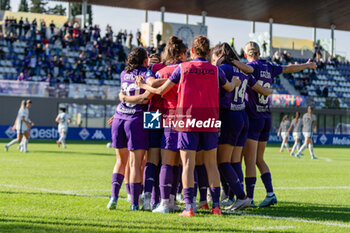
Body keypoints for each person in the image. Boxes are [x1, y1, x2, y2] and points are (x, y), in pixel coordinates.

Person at [137, 35, 240, 217]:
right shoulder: (215, 70)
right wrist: (236, 83)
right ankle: (215, 205)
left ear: (192, 51)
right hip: (210, 119)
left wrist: (145, 85)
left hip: (184, 118)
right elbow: (230, 88)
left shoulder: (181, 68)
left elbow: (160, 90)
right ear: (208, 52)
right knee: (210, 164)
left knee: (185, 164)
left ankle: (188, 206)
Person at [243, 41, 317, 208]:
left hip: (253, 117)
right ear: (259, 52)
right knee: (259, 159)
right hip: (266, 117)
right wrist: (306, 65)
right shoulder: (269, 66)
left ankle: (249, 198)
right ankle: (270, 194)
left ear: (247, 54)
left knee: (249, 161)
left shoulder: (248, 67)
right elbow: (288, 68)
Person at [211, 43, 273, 210]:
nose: (213, 60)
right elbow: (258, 87)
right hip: (243, 116)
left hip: (230, 116)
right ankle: (237, 197)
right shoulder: (244, 70)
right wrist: (269, 91)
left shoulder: (223, 69)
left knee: (222, 161)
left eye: (214, 57)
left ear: (221, 55)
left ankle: (239, 196)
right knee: (235, 161)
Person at [132, 36, 187, 213]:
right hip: (157, 114)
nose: (153, 62)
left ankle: (159, 198)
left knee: (163, 159)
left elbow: (152, 83)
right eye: (151, 60)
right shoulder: (169, 68)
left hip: (159, 113)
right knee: (158, 159)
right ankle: (154, 198)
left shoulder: (158, 69)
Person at [107, 47, 153, 211]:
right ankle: (134, 203)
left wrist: (124, 98)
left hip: (119, 117)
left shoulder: (123, 73)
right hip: (135, 119)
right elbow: (144, 98)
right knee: (136, 163)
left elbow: (122, 94)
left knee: (120, 161)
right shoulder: (147, 73)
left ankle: (113, 198)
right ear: (144, 60)